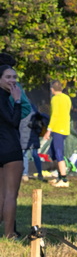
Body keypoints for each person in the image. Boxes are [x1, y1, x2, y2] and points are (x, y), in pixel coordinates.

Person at [1, 65, 26, 239]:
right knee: (11, 194)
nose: (12, 81)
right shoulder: (4, 98)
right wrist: (17, 101)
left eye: (14, 77)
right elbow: (13, 121)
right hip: (10, 148)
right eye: (8, 77)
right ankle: (10, 234)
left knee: (2, 193)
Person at [46, 80, 71, 187]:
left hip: (58, 129)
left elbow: (55, 115)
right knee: (52, 153)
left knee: (59, 153)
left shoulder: (55, 99)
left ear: (52, 89)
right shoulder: (67, 98)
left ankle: (64, 179)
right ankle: (59, 176)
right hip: (65, 128)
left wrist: (48, 130)